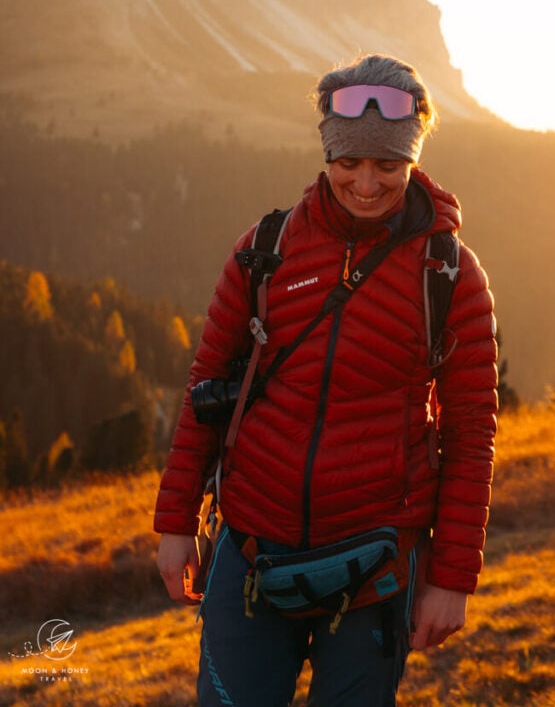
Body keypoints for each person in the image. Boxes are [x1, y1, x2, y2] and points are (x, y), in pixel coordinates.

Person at [155, 53, 498, 707]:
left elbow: (471, 433)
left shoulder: (448, 275)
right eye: (348, 164)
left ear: (413, 158)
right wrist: (177, 522)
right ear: (326, 154)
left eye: (386, 166)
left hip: (377, 568)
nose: (366, 184)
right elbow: (209, 387)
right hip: (252, 550)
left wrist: (452, 579)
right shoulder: (265, 249)